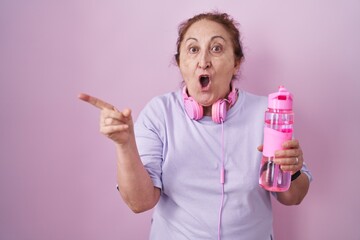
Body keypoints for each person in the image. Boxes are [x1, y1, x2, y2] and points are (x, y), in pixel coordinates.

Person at [79, 11, 311, 240]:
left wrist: (293, 170)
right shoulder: (159, 113)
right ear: (180, 62)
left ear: (236, 63)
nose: (204, 61)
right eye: (193, 49)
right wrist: (125, 145)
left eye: (216, 48)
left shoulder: (268, 113)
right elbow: (140, 203)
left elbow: (293, 197)